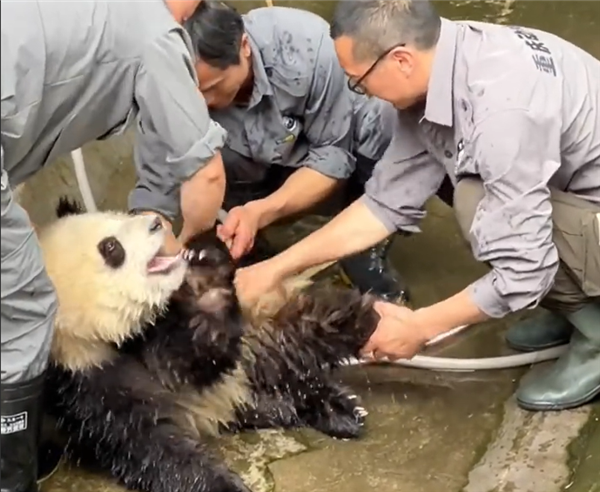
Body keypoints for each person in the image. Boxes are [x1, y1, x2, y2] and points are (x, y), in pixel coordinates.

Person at [235, 0, 600, 412]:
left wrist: (419, 327)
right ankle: (572, 305)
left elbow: (524, 269)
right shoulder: (445, 63)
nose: (362, 94)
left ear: (401, 60)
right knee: (476, 193)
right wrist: (275, 268)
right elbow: (384, 205)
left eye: (359, 82)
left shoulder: (502, 108)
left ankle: (595, 335)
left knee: (477, 201)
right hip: (580, 203)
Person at [1, 0, 228, 490]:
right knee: (24, 304)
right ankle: (11, 475)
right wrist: (185, 244)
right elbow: (206, 174)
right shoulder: (155, 35)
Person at [183, 0, 430, 301]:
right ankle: (253, 250)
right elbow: (166, 170)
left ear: (244, 46)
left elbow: (333, 156)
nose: (202, 103)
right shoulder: (163, 80)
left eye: (213, 88)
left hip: (335, 142)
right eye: (193, 93)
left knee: (382, 125)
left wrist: (264, 212)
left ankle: (365, 258)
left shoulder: (307, 49)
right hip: (251, 164)